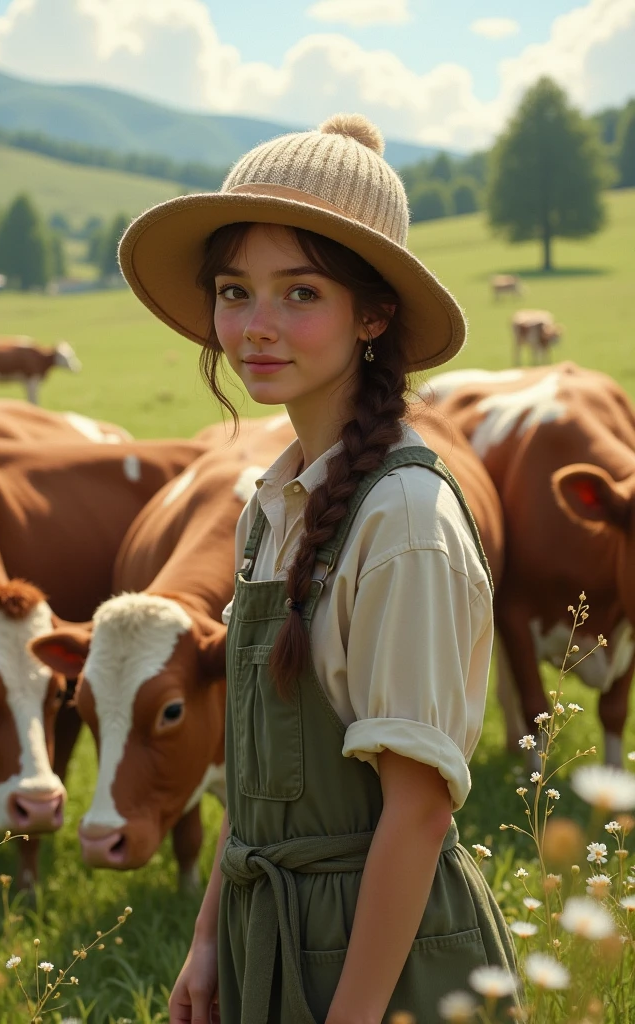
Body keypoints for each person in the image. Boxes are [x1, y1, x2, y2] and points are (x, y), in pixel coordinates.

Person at [119, 113, 518, 1024]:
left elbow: (417, 815)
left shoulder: (404, 519)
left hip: (381, 965)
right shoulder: (272, 501)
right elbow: (259, 777)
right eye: (234, 290)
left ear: (373, 314)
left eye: (300, 293)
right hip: (273, 935)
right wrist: (212, 938)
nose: (253, 327)